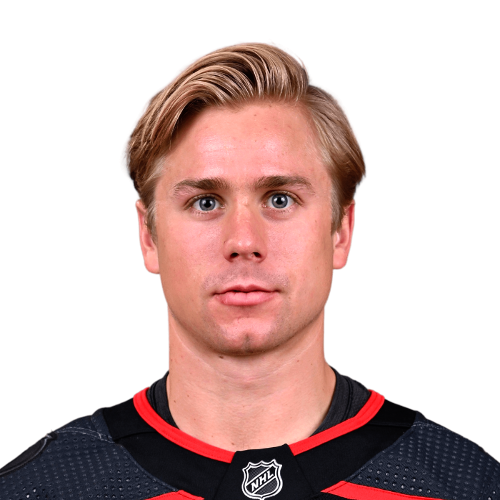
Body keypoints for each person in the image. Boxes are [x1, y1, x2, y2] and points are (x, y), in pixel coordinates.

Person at [1, 41, 498, 500]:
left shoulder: (468, 485)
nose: (243, 242)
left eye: (280, 199)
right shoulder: (42, 488)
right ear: (148, 235)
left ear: (341, 230)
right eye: (205, 202)